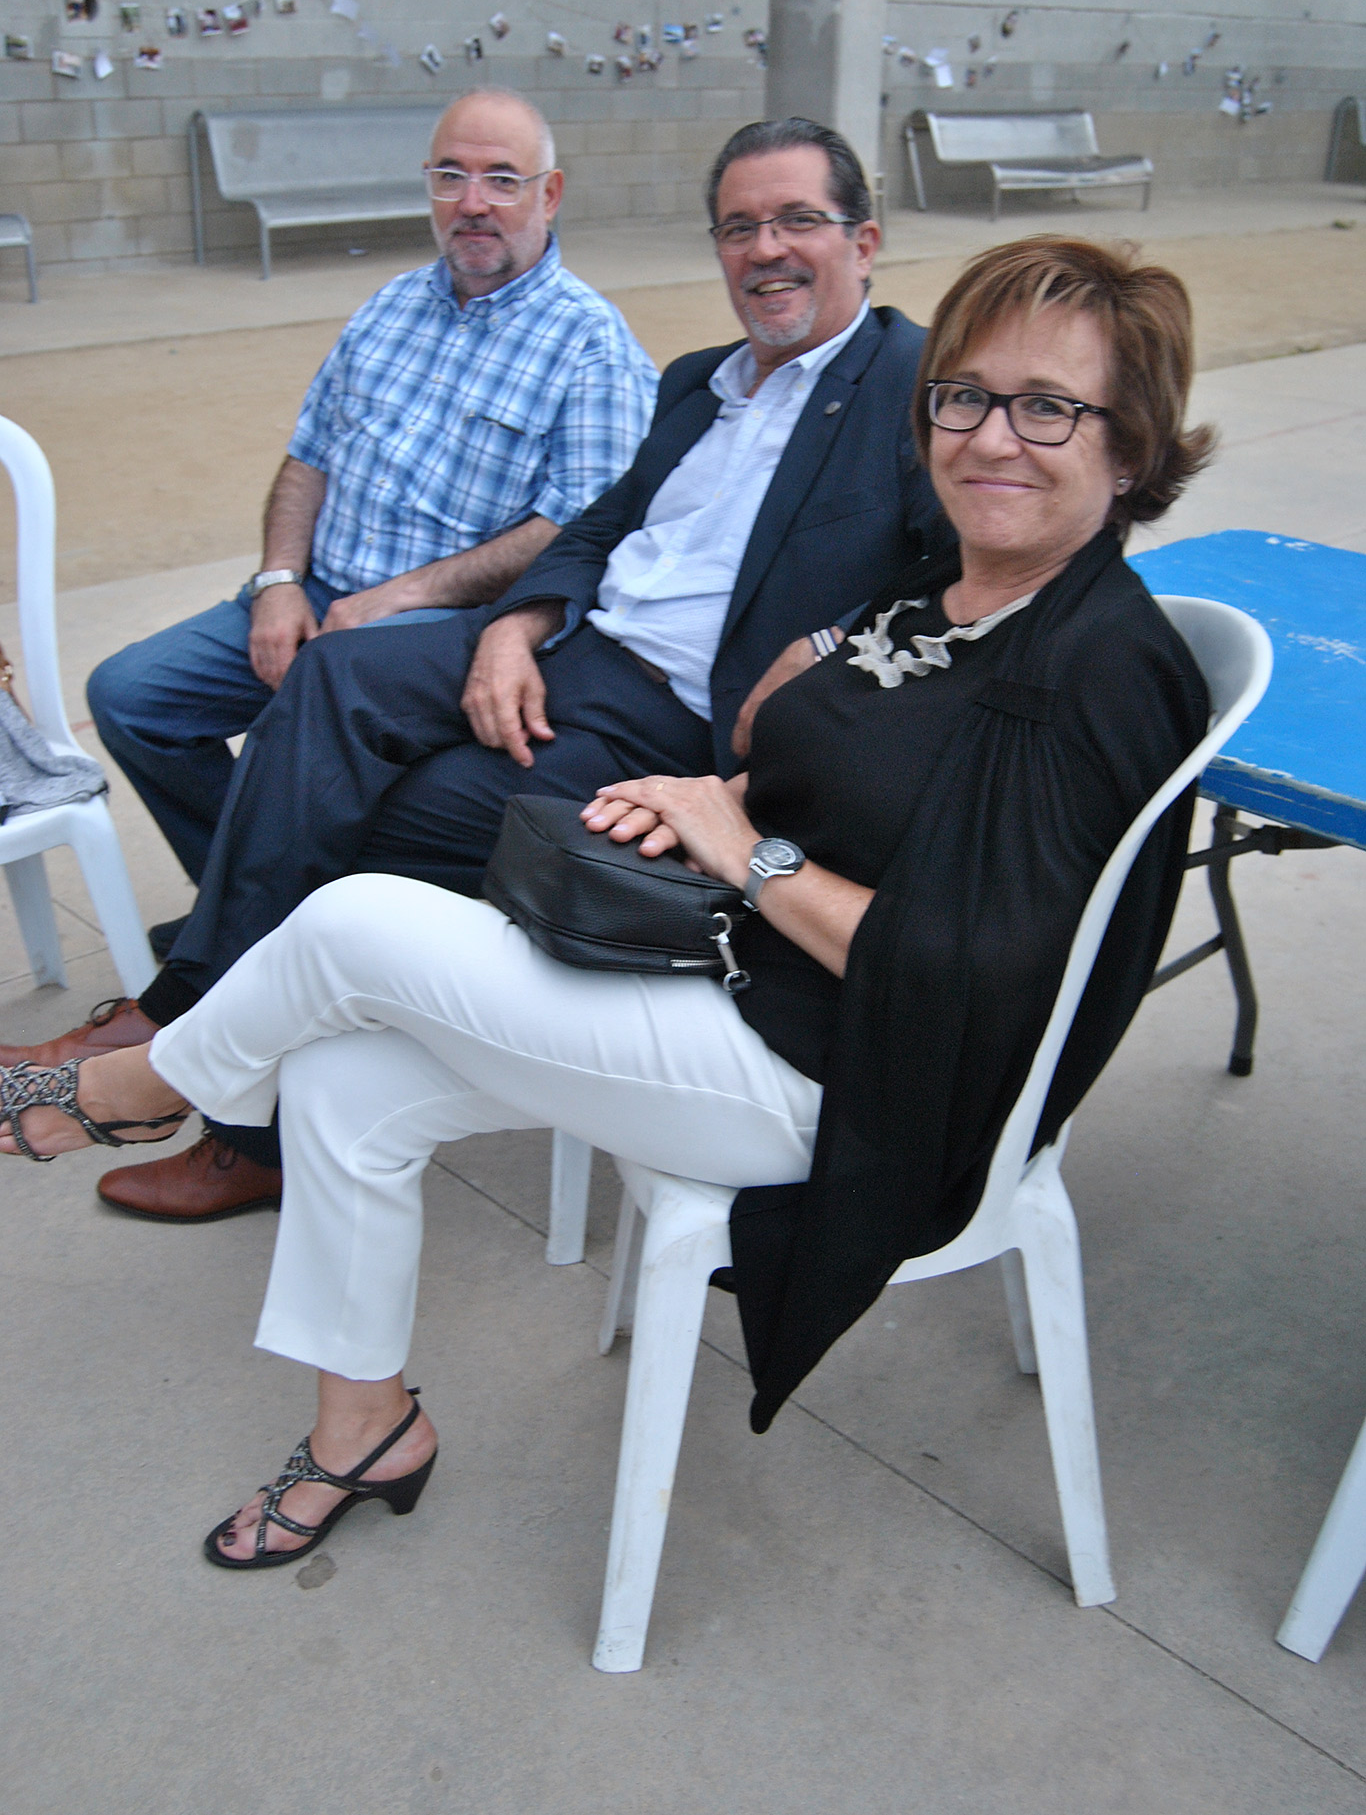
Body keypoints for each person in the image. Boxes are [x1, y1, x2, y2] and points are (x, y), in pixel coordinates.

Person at [1, 235, 1213, 1569]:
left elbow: (973, 973)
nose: (989, 437)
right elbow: (852, 770)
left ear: (1131, 446)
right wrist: (707, 796)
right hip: (733, 975)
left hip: (842, 1077)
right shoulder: (953, 593)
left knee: (351, 923)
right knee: (341, 1082)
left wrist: (744, 852)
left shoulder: (1094, 670)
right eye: (963, 395)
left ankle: (132, 1088)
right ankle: (366, 1429)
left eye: (1048, 407)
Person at [19, 116, 944, 1223]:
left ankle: (218, 1092)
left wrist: (829, 645)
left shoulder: (916, 385)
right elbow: (596, 526)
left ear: (864, 240)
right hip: (572, 646)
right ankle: (195, 1024)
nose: (766, 249)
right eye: (739, 227)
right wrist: (515, 627)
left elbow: (967, 579)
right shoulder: (702, 381)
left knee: (360, 823)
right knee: (331, 680)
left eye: (797, 221)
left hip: (672, 724)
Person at [83, 87, 657, 890]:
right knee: (130, 696)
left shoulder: (592, 346)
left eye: (502, 179)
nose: (472, 203)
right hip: (318, 591)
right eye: (450, 176)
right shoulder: (390, 306)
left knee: (309, 715)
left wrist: (397, 597)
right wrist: (279, 582)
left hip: (443, 621)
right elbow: (307, 458)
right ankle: (249, 901)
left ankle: (263, 902)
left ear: (549, 193)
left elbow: (576, 531)